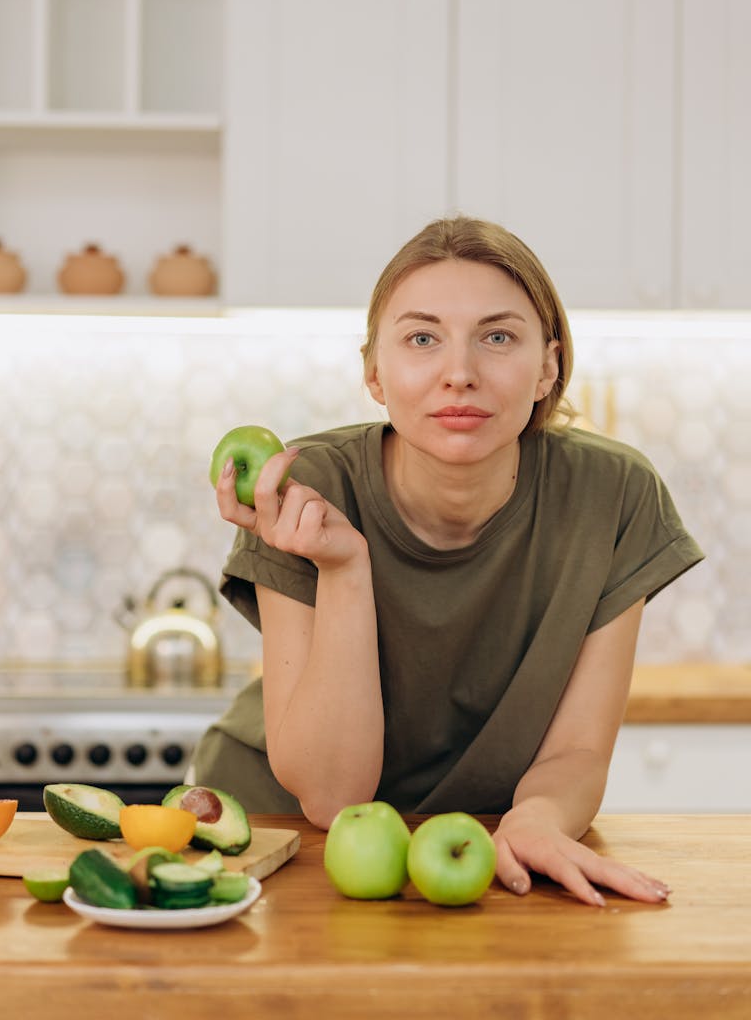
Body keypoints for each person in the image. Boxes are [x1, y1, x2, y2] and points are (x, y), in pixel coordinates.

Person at [193, 216, 703, 907]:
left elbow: (578, 751)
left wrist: (538, 820)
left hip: (484, 843)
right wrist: (345, 569)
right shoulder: (305, 488)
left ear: (547, 366)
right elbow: (331, 795)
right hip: (277, 837)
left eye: (497, 338)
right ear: (374, 371)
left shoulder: (613, 495)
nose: (459, 374)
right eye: (422, 338)